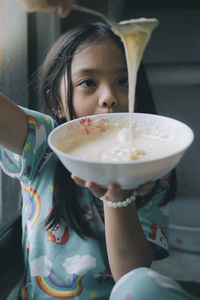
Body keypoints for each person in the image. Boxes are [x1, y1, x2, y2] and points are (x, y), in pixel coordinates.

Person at [0, 9, 198, 300]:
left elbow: (130, 274)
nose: (109, 97)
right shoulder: (42, 145)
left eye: (123, 81)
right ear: (56, 101)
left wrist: (118, 197)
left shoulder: (154, 167)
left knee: (145, 284)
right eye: (88, 83)